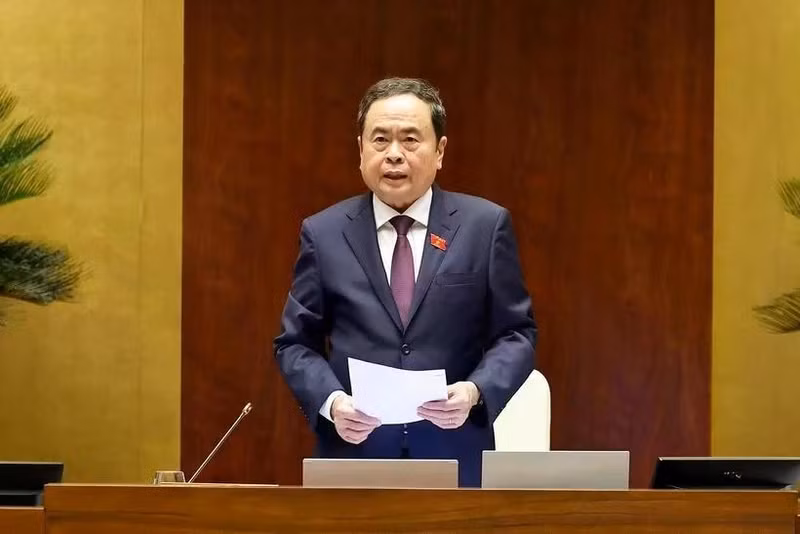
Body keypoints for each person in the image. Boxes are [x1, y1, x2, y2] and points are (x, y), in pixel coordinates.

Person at [274, 77, 537, 487]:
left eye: (410, 140)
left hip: (455, 457)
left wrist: (474, 391)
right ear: (361, 150)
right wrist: (331, 403)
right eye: (380, 140)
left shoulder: (484, 227)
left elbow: (517, 334)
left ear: (440, 151)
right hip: (354, 457)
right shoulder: (323, 233)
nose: (393, 155)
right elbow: (294, 343)